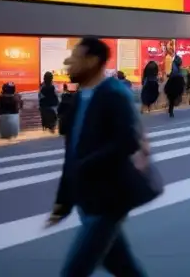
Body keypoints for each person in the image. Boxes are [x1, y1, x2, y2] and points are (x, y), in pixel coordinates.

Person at [47, 37, 151, 276]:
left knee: (74, 271)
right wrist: (63, 201)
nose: (68, 62)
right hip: (87, 199)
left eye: (75, 57)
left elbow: (128, 140)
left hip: (108, 200)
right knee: (123, 267)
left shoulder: (113, 94)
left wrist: (86, 165)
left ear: (92, 61)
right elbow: (71, 153)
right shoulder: (78, 98)